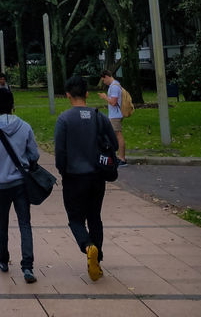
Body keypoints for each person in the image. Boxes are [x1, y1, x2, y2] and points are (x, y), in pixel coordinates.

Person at [55, 73, 118, 281]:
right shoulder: (99, 116)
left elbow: (60, 153)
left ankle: (88, 246)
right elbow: (114, 145)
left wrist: (64, 172)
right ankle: (96, 261)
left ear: (67, 95)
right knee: (95, 217)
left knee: (75, 219)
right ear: (87, 93)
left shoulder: (64, 119)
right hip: (97, 176)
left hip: (74, 177)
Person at [0, 85, 38, 284]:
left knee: (2, 223)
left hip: (1, 184)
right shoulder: (25, 126)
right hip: (21, 183)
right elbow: (35, 155)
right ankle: (27, 266)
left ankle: (3, 259)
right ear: (13, 105)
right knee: (25, 223)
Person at [98, 69, 126, 164]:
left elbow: (113, 102)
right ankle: (118, 156)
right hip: (115, 114)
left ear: (106, 76)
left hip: (115, 115)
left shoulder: (114, 87)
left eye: (103, 80)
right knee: (115, 135)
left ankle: (122, 158)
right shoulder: (115, 84)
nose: (104, 82)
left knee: (118, 135)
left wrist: (105, 97)